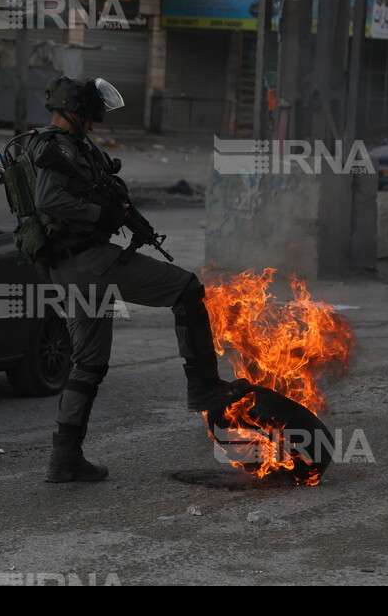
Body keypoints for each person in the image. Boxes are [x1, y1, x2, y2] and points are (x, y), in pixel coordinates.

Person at [29, 75, 247, 483]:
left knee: (88, 362)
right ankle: (203, 388)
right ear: (75, 113)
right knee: (187, 289)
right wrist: (101, 216)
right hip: (90, 263)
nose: (92, 126)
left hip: (70, 269)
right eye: (90, 117)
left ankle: (65, 458)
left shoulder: (63, 146)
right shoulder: (58, 146)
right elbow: (48, 199)